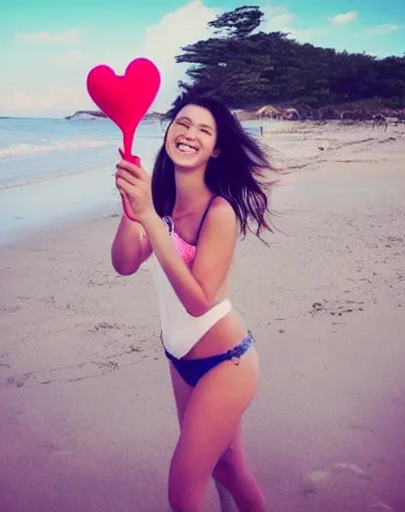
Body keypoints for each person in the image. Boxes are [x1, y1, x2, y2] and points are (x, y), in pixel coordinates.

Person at [110, 89, 277, 512]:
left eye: (204, 130)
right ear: (168, 132)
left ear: (216, 148)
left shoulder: (219, 212)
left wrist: (149, 217)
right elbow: (125, 263)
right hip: (181, 361)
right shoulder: (162, 202)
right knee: (230, 470)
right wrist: (133, 210)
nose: (189, 134)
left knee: (183, 491)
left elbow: (199, 301)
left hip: (228, 362)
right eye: (182, 123)